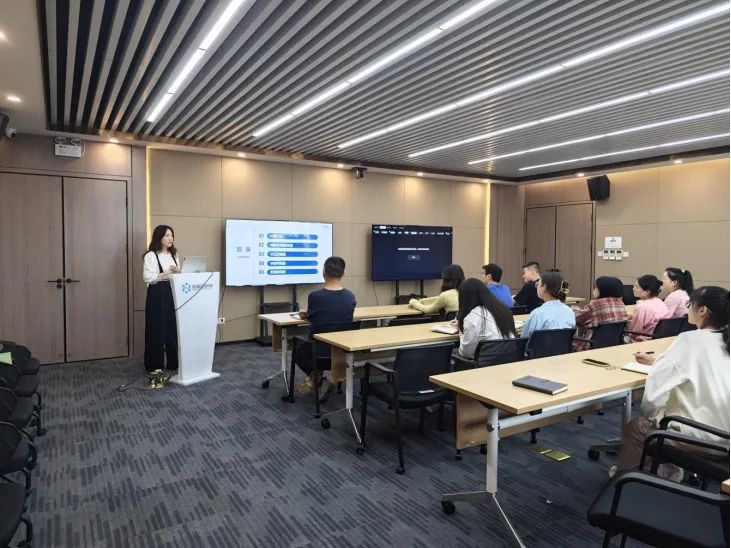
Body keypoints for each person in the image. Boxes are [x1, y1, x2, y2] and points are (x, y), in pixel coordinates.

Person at [615, 286, 730, 478]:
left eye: (689, 304)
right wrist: (659, 362)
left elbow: (652, 399)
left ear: (703, 310)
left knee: (638, 427)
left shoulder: (689, 340)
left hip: (705, 441)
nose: (687, 308)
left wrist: (656, 419)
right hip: (726, 440)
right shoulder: (725, 340)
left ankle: (628, 480)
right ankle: (666, 471)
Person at [296, 256, 356, 395]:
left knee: (297, 347)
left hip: (318, 352)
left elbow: (316, 319)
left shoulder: (315, 296)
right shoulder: (350, 296)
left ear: (324, 273)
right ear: (343, 274)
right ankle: (329, 378)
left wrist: (307, 315)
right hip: (342, 350)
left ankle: (316, 374)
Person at [143, 225, 181, 373]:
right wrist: (167, 272)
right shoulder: (151, 255)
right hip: (157, 293)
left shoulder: (174, 255)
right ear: (159, 237)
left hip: (172, 292)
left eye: (171, 235)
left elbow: (175, 276)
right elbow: (148, 278)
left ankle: (173, 363)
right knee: (156, 329)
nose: (170, 238)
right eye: (166, 235)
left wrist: (179, 272)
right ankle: (155, 365)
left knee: (172, 328)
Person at [456, 278, 516, 359]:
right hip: (510, 359)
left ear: (464, 299)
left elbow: (466, 353)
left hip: (487, 363)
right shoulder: (502, 310)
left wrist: (461, 331)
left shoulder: (472, 317)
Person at [572, 276, 628, 351]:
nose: (593, 290)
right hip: (614, 345)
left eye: (595, 288)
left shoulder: (596, 304)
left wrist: (573, 308)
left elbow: (578, 319)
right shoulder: (620, 303)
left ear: (603, 290)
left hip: (591, 344)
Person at [521, 271, 575, 339]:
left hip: (540, 346)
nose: (536, 287)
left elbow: (524, 338)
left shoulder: (537, 314)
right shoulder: (569, 311)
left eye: (538, 284)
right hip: (563, 346)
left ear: (544, 287)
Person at [627, 275, 669, 341]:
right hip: (659, 338)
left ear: (647, 292)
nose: (633, 289)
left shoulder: (642, 306)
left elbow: (634, 332)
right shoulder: (660, 301)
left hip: (644, 339)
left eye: (637, 287)